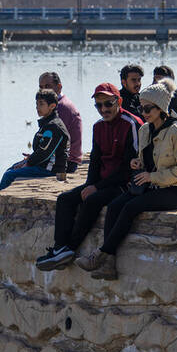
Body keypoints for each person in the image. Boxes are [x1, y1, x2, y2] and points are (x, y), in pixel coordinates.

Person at [75, 78, 177, 280]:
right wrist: (137, 165)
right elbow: (145, 160)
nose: (143, 113)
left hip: (171, 191)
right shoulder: (145, 130)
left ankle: (101, 254)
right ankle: (109, 264)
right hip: (147, 187)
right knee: (114, 206)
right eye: (141, 108)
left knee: (130, 207)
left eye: (148, 109)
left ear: (161, 109)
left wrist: (152, 176)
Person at [35, 82, 142, 271]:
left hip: (124, 183)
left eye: (108, 104)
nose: (103, 109)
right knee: (65, 199)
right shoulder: (98, 127)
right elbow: (95, 161)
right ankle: (60, 247)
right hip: (103, 181)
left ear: (119, 101)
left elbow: (128, 167)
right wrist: (90, 184)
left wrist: (96, 188)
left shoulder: (131, 124)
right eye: (99, 105)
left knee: (92, 200)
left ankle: (70, 248)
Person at [0, 89, 69, 233]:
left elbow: (45, 153)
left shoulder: (54, 126)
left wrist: (29, 162)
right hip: (43, 166)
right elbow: (42, 151)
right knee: (11, 169)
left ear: (52, 106)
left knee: (10, 176)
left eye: (41, 104)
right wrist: (29, 159)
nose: (37, 107)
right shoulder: (47, 124)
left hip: (51, 171)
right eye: (36, 104)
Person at [39, 72, 83, 173]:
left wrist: (33, 160)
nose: (43, 90)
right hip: (59, 160)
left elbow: (53, 144)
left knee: (10, 175)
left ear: (59, 87)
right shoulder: (59, 104)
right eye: (41, 87)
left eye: (47, 86)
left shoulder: (61, 107)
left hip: (65, 164)